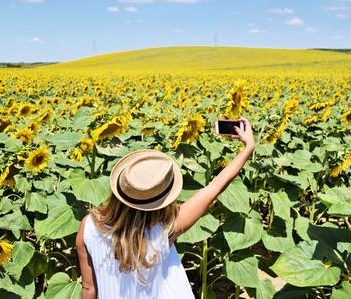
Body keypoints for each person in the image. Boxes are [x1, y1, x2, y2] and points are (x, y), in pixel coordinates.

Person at [76, 117, 255, 299]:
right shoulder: (164, 231)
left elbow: (89, 289)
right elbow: (215, 187)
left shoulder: (88, 227)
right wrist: (247, 148)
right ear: (161, 201)